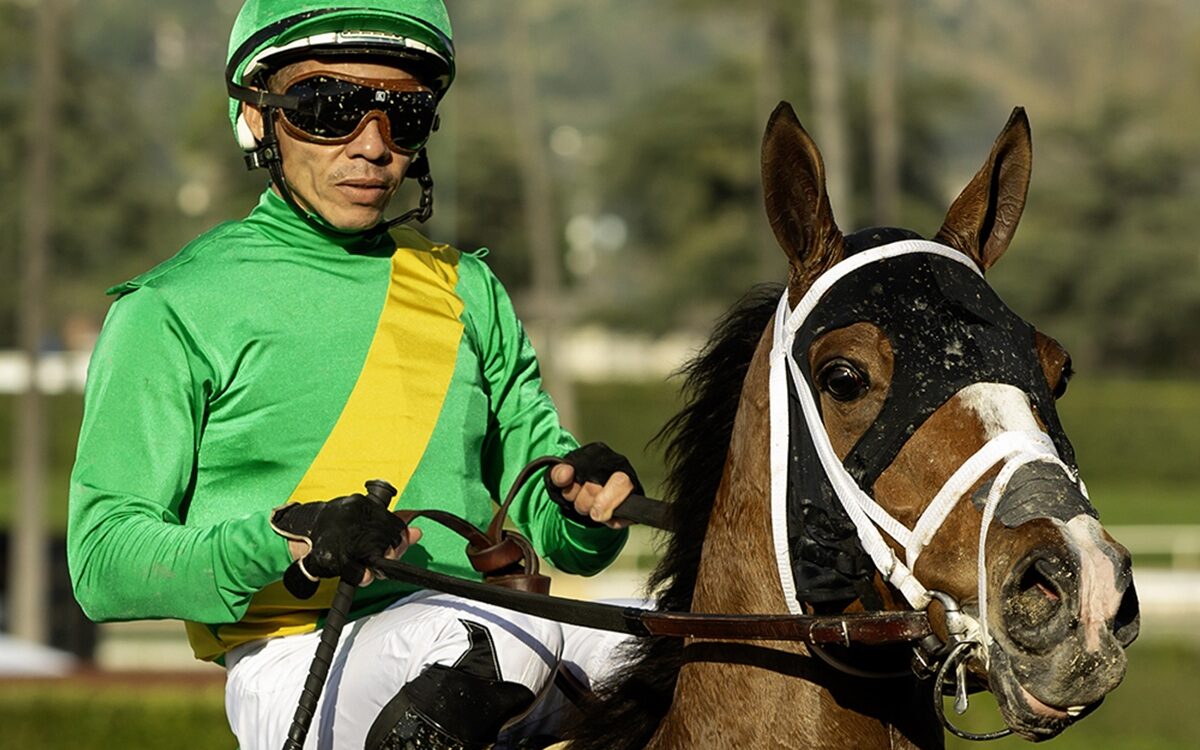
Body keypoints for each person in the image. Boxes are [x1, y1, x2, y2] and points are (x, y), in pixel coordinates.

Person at [66, 2, 642, 748]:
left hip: (496, 640)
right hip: (300, 664)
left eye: (404, 116)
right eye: (328, 109)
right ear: (254, 115)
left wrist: (583, 504)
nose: (372, 147)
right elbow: (102, 560)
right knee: (490, 635)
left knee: (699, 637)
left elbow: (545, 523)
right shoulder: (169, 307)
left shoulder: (468, 290)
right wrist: (288, 538)